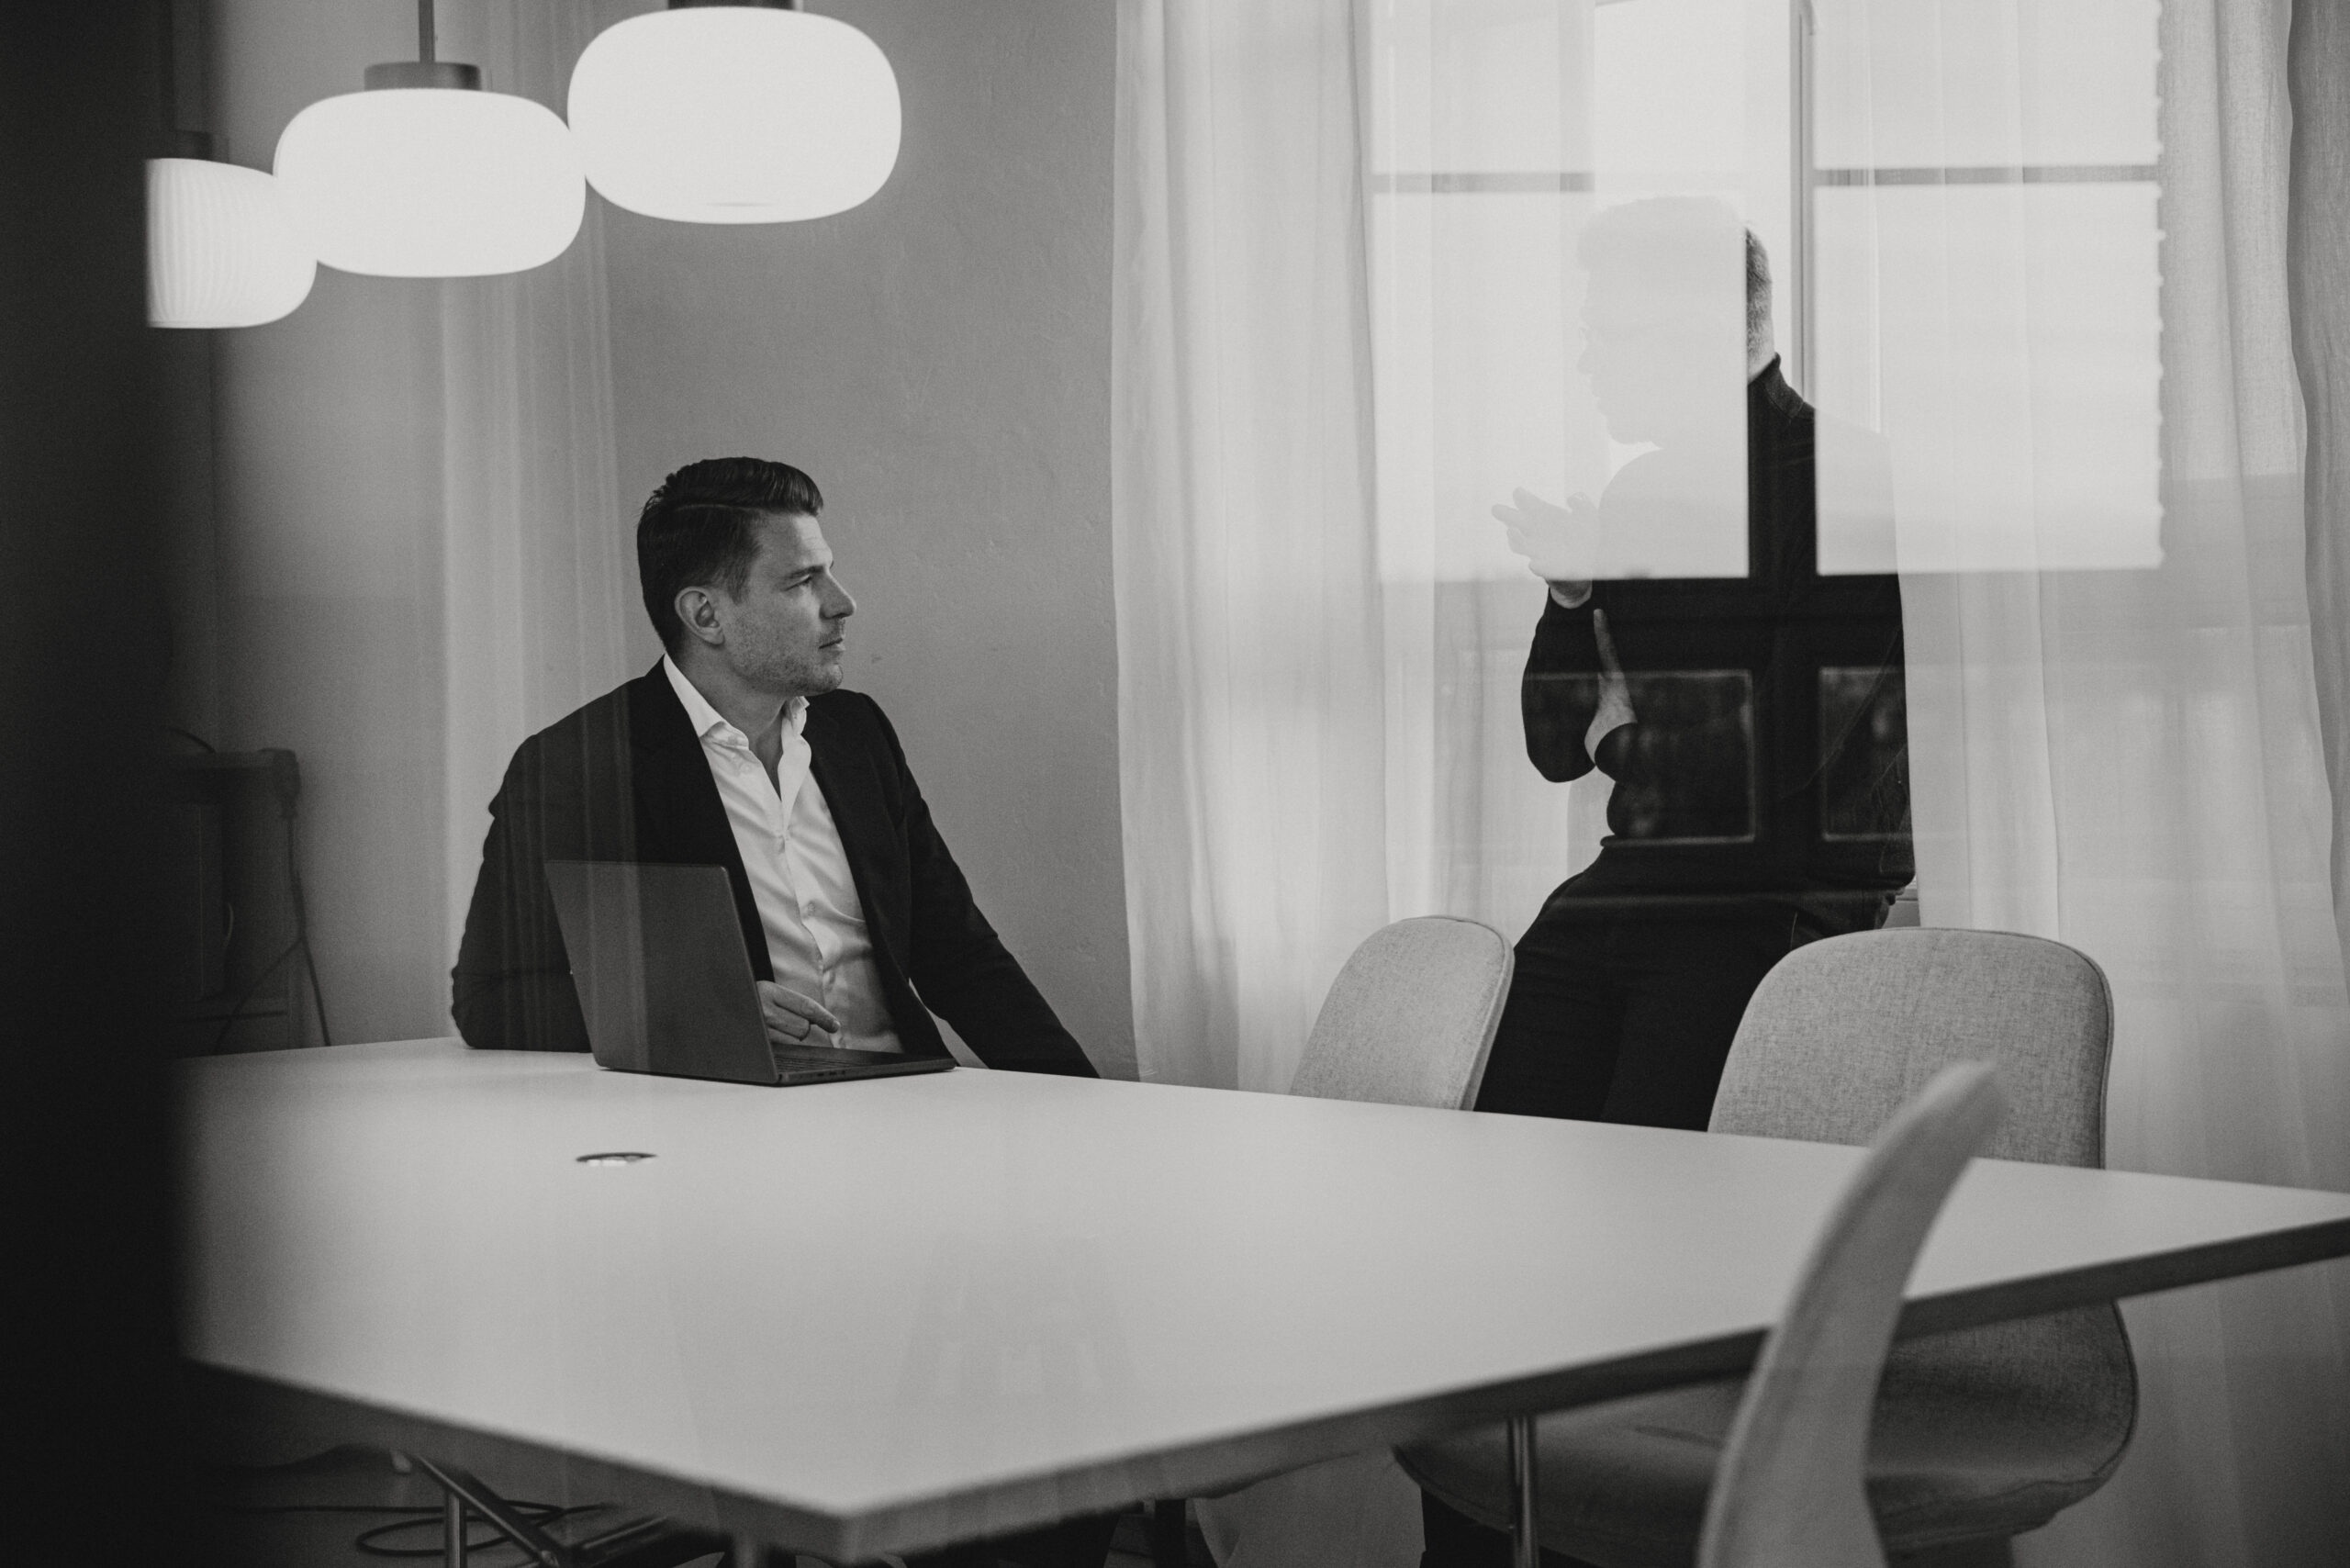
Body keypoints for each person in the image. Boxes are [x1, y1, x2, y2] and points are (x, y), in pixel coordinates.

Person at [453, 457, 1111, 1568]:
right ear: (705, 613)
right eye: (804, 581)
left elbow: (956, 950)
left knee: (1060, 1414)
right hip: (734, 1180)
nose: (842, 604)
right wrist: (701, 1003)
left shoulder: (856, 734)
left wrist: (1088, 1112)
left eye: (828, 574)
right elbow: (493, 996)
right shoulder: (576, 765)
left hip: (914, 1136)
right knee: (939, 1425)